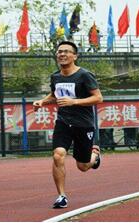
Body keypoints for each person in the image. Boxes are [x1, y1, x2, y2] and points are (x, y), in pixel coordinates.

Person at [33, 41, 103, 209]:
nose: (62, 54)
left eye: (66, 51)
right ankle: (62, 196)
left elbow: (98, 98)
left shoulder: (84, 75)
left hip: (83, 124)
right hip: (63, 122)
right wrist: (42, 101)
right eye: (59, 52)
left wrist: (74, 101)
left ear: (74, 56)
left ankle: (94, 156)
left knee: (83, 166)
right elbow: (54, 95)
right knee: (58, 155)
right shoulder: (55, 77)